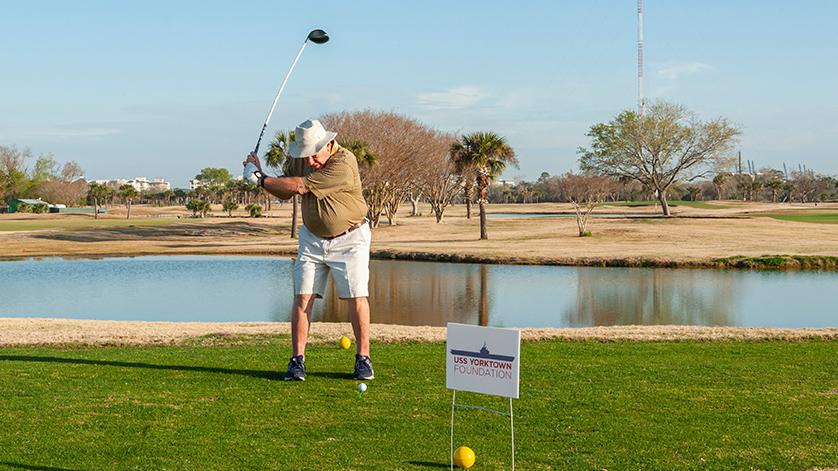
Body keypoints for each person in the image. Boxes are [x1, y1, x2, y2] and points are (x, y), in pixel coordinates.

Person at [243, 119, 373, 381]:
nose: (310, 161)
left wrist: (260, 180)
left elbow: (302, 186)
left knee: (356, 297)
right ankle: (297, 361)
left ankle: (363, 359)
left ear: (329, 143)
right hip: (312, 239)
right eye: (306, 156)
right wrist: (259, 172)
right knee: (303, 297)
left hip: (350, 239)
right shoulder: (303, 159)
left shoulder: (344, 162)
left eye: (315, 154)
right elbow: (286, 191)